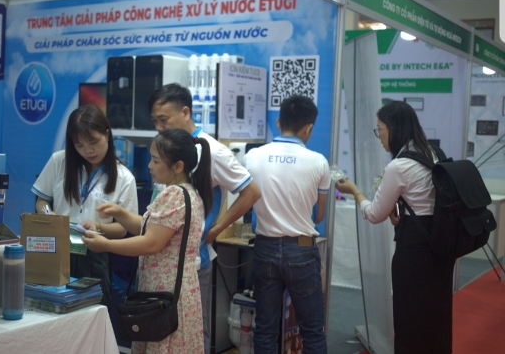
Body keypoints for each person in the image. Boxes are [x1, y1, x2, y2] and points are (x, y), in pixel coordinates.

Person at [148, 83, 261, 354]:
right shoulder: (164, 148)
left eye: (163, 119)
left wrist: (215, 230)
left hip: (192, 260)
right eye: (154, 121)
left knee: (193, 330)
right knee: (162, 331)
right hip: (160, 257)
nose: (159, 127)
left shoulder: (213, 151)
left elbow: (251, 192)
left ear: (185, 112)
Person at [335, 101, 455, 354]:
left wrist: (355, 191)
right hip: (441, 245)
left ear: (394, 128)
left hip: (414, 251)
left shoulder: (399, 166)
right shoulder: (434, 153)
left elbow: (374, 214)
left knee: (409, 317)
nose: (379, 136)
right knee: (437, 316)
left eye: (380, 129)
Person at [82, 128, 212, 354]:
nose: (149, 166)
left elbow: (151, 242)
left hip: (165, 293)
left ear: (178, 166)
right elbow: (152, 228)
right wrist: (119, 213)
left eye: (156, 160)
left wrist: (105, 244)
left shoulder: (173, 194)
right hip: (175, 291)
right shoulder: (188, 192)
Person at [244, 95, 329, 354]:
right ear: (309, 128)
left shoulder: (252, 156)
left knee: (265, 329)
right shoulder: (319, 162)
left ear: (279, 122)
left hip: (264, 249)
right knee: (312, 331)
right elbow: (318, 216)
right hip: (301, 251)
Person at [31, 105, 138, 308]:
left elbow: (122, 229)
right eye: (79, 145)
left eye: (93, 142)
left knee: (92, 312)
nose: (88, 151)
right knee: (52, 308)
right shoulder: (59, 161)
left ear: (107, 134)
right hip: (57, 249)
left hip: (94, 253)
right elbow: (42, 201)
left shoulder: (124, 178)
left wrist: (98, 227)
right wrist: (50, 216)